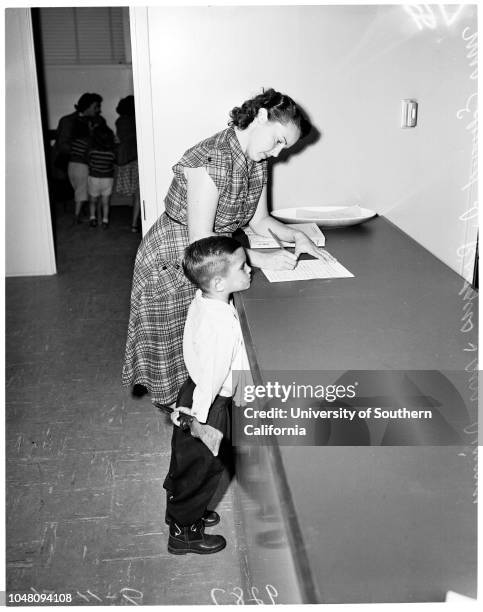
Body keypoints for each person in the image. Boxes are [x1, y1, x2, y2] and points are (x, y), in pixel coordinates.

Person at [122, 87, 322, 407]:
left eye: (285, 148)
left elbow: (260, 222)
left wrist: (294, 235)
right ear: (260, 117)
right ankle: (189, 433)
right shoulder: (211, 159)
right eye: (279, 141)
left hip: (218, 262)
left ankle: (202, 421)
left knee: (209, 352)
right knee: (180, 355)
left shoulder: (255, 161)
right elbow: (202, 242)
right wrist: (259, 260)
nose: (278, 153)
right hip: (176, 261)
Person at [164, 236, 251, 554]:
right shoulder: (219, 327)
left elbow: (232, 352)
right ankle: (183, 532)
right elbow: (215, 373)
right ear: (218, 281)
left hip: (196, 391)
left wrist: (241, 380)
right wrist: (197, 420)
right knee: (202, 468)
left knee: (192, 465)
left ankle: (188, 513)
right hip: (207, 404)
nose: (250, 269)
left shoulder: (207, 299)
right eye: (242, 267)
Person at [53, 93, 106, 223]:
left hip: (90, 160)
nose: (99, 110)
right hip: (68, 161)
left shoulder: (99, 120)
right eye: (96, 107)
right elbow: (63, 145)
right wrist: (84, 151)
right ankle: (80, 211)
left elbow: (104, 138)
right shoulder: (67, 121)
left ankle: (92, 211)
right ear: (87, 107)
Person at [114, 95, 140, 232]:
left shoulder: (120, 121)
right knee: (139, 193)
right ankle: (135, 224)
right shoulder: (135, 120)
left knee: (136, 192)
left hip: (124, 157)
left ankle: (134, 223)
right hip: (135, 156)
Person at [87, 124, 116, 229]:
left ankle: (92, 218)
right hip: (107, 179)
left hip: (94, 178)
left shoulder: (92, 152)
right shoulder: (111, 153)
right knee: (106, 202)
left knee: (93, 200)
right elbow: (112, 164)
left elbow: (89, 164)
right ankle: (105, 220)